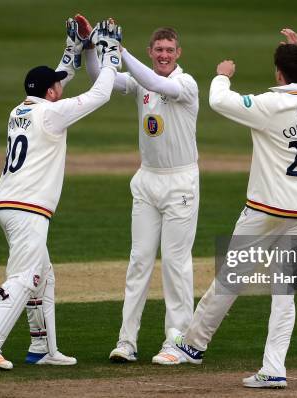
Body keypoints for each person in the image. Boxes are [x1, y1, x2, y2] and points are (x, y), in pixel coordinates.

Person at [167, 28, 297, 388]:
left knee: (231, 276)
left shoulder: (269, 105)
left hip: (265, 210)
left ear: (278, 73)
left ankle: (193, 345)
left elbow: (218, 101)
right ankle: (274, 368)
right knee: (284, 293)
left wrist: (222, 75)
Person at [0, 19, 122, 370]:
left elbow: (57, 78)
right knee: (25, 276)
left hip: (10, 204)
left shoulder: (18, 111)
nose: (60, 87)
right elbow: (100, 95)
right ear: (50, 91)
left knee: (43, 275)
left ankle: (43, 348)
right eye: (57, 85)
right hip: (27, 209)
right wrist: (109, 56)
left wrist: (74, 49)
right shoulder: (51, 113)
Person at [77, 15, 199, 365]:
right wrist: (90, 48)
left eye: (169, 50)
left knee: (176, 264)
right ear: (151, 51)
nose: (164, 55)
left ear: (178, 53)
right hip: (147, 180)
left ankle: (177, 343)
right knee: (139, 261)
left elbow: (161, 86)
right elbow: (102, 79)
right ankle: (126, 341)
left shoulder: (186, 83)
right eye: (158, 49)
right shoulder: (140, 79)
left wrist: (121, 50)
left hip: (180, 183)